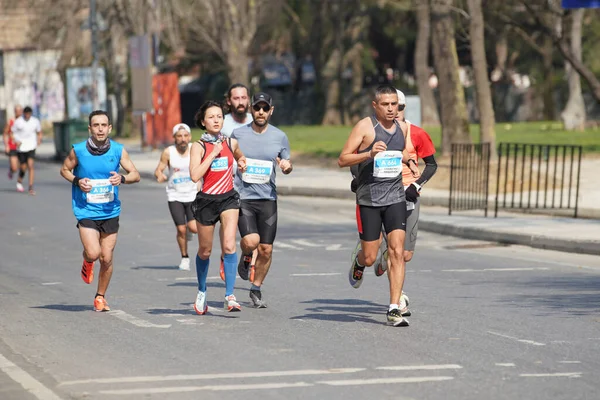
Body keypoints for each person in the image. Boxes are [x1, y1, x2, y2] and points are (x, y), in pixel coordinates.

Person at [338, 84, 418, 327]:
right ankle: (360, 261)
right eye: (386, 104)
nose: (391, 108)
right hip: (369, 199)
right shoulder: (365, 127)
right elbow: (342, 159)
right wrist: (368, 154)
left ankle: (394, 308)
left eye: (394, 104)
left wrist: (411, 161)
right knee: (372, 256)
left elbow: (401, 152)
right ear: (376, 106)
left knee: (396, 251)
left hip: (395, 197)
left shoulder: (403, 128)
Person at [59, 110, 140, 312]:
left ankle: (100, 296)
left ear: (110, 128)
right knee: (94, 253)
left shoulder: (118, 150)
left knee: (107, 257)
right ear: (90, 128)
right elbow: (64, 170)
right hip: (86, 209)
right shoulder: (78, 151)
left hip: (110, 210)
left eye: (104, 125)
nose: (100, 129)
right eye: (96, 125)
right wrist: (77, 181)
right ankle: (87, 260)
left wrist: (121, 178)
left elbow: (135, 174)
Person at [231, 92, 292, 308]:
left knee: (266, 249)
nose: (261, 112)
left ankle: (256, 288)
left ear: (271, 111)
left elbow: (286, 161)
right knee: (251, 241)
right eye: (257, 108)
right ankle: (246, 255)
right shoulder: (237, 134)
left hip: (268, 198)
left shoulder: (279, 136)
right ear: (251, 109)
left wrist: (286, 167)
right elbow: (227, 159)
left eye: (265, 108)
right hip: (243, 197)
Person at [189, 100, 247, 314]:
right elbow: (194, 175)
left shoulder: (231, 143)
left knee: (230, 245)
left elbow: (240, 156)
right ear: (203, 122)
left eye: (220, 116)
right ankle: (202, 290)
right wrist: (212, 154)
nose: (216, 120)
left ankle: (229, 295)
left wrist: (242, 162)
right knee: (205, 250)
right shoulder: (198, 146)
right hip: (206, 201)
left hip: (228, 198)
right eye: (211, 117)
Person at [389, 89, 438, 317]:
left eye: (399, 107)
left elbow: (432, 165)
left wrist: (416, 186)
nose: (394, 111)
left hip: (409, 195)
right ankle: (397, 300)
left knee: (405, 254)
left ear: (403, 108)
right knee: (395, 253)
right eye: (390, 106)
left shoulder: (417, 134)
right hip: (384, 196)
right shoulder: (376, 132)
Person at [154, 123, 199, 271]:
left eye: (185, 136)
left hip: (192, 194)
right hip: (175, 195)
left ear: (190, 137)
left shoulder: (195, 148)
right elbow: (159, 169)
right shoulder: (169, 152)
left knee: (193, 228)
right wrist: (159, 175)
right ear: (174, 138)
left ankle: (189, 232)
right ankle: (185, 257)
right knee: (180, 229)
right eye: (179, 136)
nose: (183, 139)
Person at [10, 106, 42, 195]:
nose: (27, 115)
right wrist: (15, 141)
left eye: (29, 114)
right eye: (26, 114)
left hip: (31, 146)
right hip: (21, 147)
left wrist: (39, 139)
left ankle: (31, 187)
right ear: (24, 113)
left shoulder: (35, 121)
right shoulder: (18, 121)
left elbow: (39, 131)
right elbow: (11, 133)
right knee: (23, 167)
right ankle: (19, 181)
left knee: (31, 165)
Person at [3, 105, 22, 180]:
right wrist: (6, 145)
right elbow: (5, 134)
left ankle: (19, 182)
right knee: (14, 168)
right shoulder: (11, 121)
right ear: (15, 112)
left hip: (23, 147)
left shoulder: (25, 122)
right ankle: (11, 170)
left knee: (22, 166)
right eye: (17, 111)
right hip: (12, 146)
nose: (19, 113)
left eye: (20, 111)